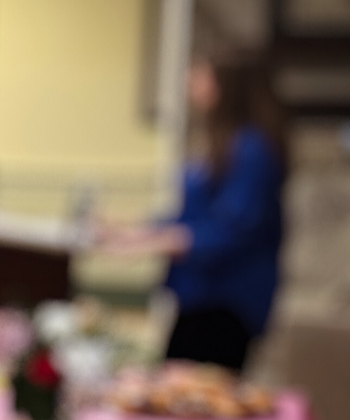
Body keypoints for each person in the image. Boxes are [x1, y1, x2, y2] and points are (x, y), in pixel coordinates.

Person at [99, 54, 286, 372]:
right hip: (199, 298)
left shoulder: (252, 149)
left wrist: (152, 243)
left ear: (224, 84)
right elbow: (193, 215)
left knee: (194, 394)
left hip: (226, 301)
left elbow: (231, 230)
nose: (190, 81)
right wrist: (132, 229)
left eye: (200, 74)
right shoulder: (223, 142)